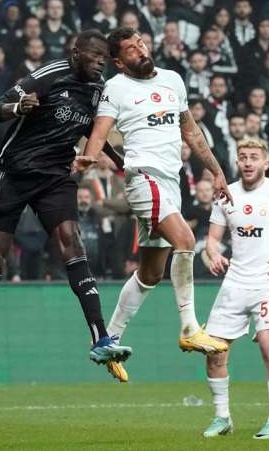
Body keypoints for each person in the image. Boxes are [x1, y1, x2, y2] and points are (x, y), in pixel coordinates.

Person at [0, 29, 131, 381]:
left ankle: (100, 337)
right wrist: (17, 107)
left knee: (73, 242)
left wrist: (121, 162)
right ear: (75, 52)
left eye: (105, 56)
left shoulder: (100, 89)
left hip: (56, 175)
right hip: (15, 172)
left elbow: (95, 133)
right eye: (95, 54)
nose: (101, 60)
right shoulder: (48, 76)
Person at [78, 27, 233, 383]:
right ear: (118, 61)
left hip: (170, 182)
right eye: (131, 50)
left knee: (150, 274)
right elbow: (101, 129)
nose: (140, 50)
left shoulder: (172, 80)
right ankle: (190, 328)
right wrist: (89, 157)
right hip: (143, 178)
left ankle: (107, 339)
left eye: (141, 44)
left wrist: (217, 171)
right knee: (185, 241)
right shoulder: (115, 87)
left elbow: (191, 132)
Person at [201, 138, 269, 439]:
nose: (248, 162)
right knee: (213, 352)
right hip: (235, 282)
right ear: (237, 162)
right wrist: (213, 254)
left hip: (268, 281)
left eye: (254, 157)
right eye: (243, 157)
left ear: (266, 162)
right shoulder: (226, 194)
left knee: (268, 342)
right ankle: (222, 417)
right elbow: (212, 239)